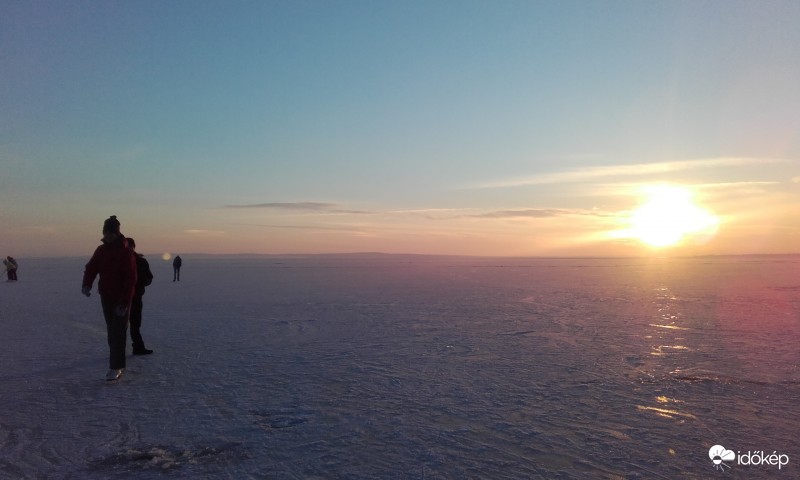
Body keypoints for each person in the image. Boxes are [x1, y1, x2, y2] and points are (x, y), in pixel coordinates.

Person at [82, 216, 137, 381]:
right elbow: (91, 267)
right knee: (112, 331)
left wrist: (124, 302)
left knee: (118, 331)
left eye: (111, 232)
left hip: (121, 298)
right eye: (106, 232)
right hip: (106, 295)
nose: (108, 235)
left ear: (117, 233)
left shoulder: (126, 252)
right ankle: (116, 359)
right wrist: (87, 284)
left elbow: (131, 279)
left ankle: (116, 367)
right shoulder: (101, 250)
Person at [127, 238, 154, 355]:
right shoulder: (118, 261)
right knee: (119, 326)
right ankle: (117, 350)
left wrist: (142, 283)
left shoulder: (141, 262)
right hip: (120, 298)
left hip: (136, 297)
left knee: (135, 323)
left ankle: (138, 347)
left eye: (130, 246)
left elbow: (149, 277)